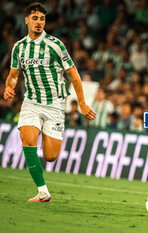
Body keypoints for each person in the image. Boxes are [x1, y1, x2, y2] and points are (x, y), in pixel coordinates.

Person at [3, 2, 96, 202]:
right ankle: (43, 191)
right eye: (35, 18)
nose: (39, 22)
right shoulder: (19, 47)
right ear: (26, 19)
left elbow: (74, 74)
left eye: (42, 19)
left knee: (51, 156)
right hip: (31, 102)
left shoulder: (55, 45)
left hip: (55, 104)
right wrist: (9, 87)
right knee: (27, 140)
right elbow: (13, 74)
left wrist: (82, 103)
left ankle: (43, 180)